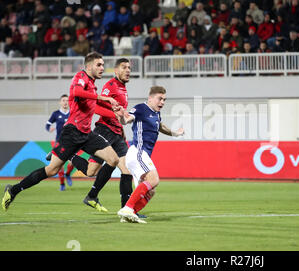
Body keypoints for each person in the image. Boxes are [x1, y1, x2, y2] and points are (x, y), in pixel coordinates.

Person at [2, 52, 120, 213]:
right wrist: (103, 98)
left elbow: (92, 101)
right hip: (72, 132)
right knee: (52, 170)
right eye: (99, 65)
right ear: (89, 66)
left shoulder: (92, 84)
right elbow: (77, 93)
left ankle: (92, 196)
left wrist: (112, 106)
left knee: (113, 160)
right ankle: (13, 190)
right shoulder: (81, 77)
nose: (102, 68)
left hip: (86, 134)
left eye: (103, 65)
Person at [70, 58, 135, 213]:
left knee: (127, 170)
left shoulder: (123, 89)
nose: (127, 70)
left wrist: (122, 130)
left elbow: (118, 115)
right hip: (104, 131)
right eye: (124, 67)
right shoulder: (110, 86)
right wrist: (115, 116)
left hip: (117, 135)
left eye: (129, 68)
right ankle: (69, 156)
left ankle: (127, 210)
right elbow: (96, 108)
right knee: (91, 172)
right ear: (116, 70)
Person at [116, 86, 185, 223]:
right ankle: (127, 208)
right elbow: (127, 119)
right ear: (150, 98)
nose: (162, 102)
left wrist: (175, 133)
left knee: (150, 191)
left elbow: (160, 126)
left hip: (140, 155)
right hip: (138, 152)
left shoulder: (156, 114)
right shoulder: (141, 108)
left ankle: (129, 214)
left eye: (164, 99)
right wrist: (121, 116)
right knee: (154, 179)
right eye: (160, 99)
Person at [45, 94, 74, 191]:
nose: (65, 102)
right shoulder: (56, 114)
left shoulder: (73, 112)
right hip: (60, 142)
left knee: (73, 161)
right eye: (63, 100)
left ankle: (68, 174)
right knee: (60, 164)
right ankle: (62, 184)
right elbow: (47, 125)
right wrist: (49, 129)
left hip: (71, 141)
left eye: (67, 100)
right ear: (60, 102)